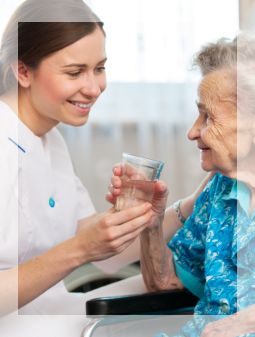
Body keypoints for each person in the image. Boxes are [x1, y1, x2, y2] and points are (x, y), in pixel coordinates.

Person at [0, 0, 214, 336]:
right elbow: (83, 249)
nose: (94, 87)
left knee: (198, 291)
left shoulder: (50, 140)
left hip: (52, 314)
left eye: (99, 68)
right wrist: (78, 249)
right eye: (74, 72)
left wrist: (182, 205)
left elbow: (107, 258)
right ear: (23, 71)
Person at [109, 33, 255, 336]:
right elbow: (165, 283)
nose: (192, 131)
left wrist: (245, 321)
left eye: (208, 117)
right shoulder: (220, 192)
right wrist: (151, 221)